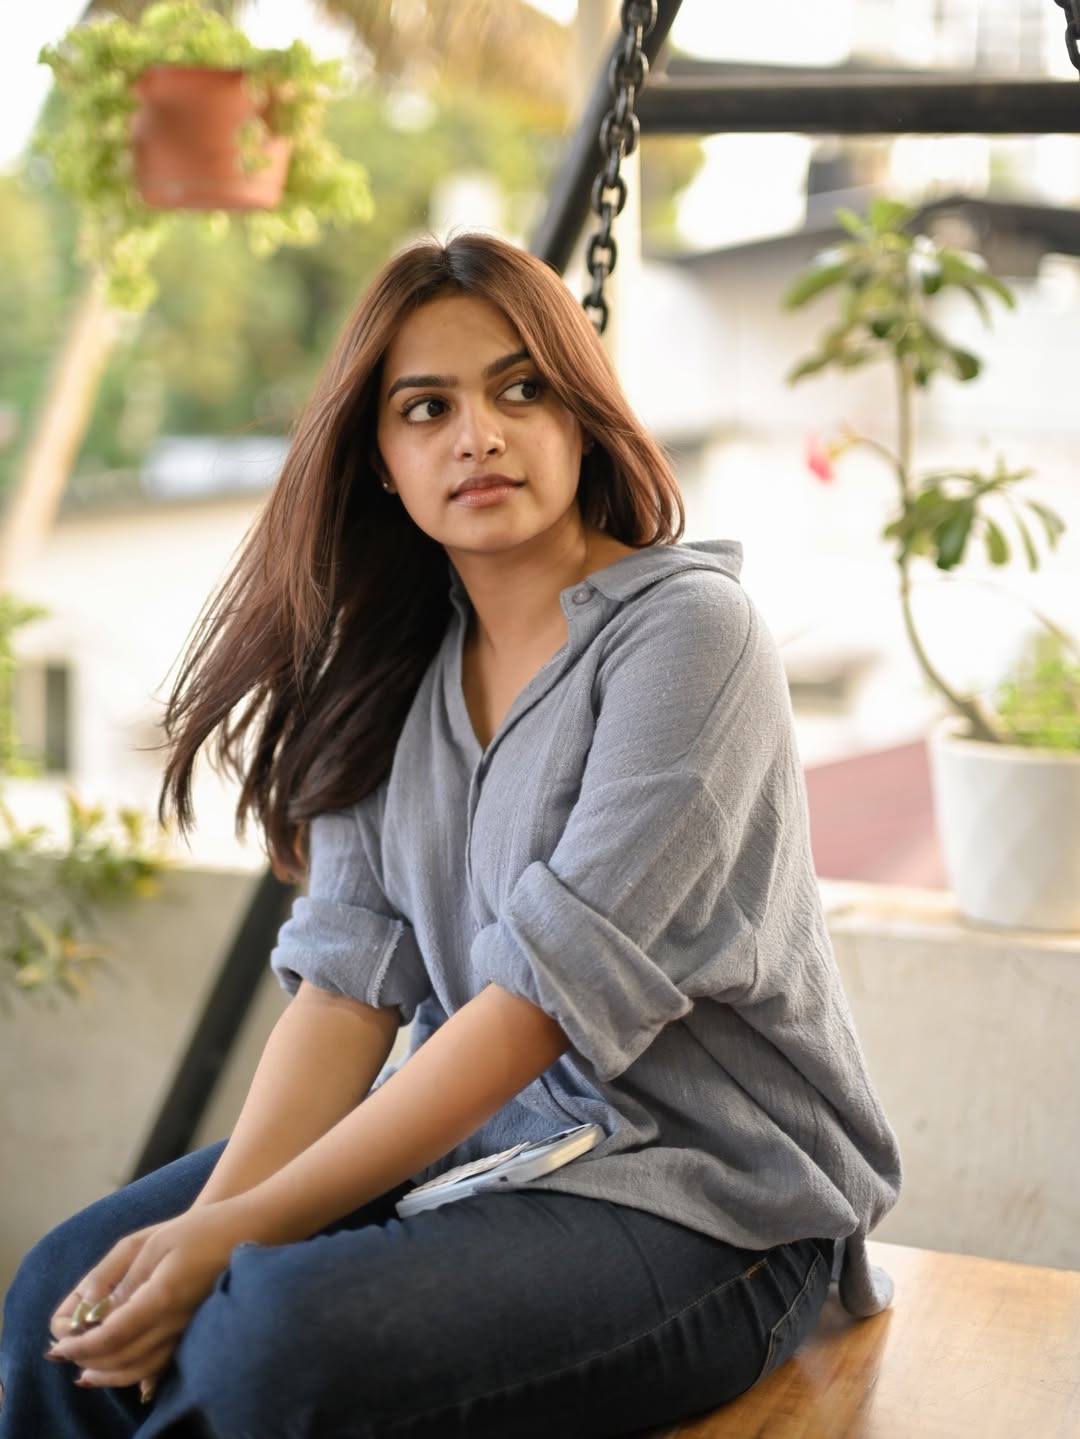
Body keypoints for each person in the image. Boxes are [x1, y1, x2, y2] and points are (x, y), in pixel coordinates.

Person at [0, 232, 901, 1439]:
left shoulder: (691, 638)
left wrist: (226, 1237)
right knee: (67, 1289)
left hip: (713, 1202)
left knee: (269, 1338)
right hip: (483, 1157)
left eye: (520, 388)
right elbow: (344, 995)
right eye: (427, 406)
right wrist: (205, 1221)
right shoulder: (386, 671)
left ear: (581, 416)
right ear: (379, 458)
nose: (478, 432)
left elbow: (535, 1008)